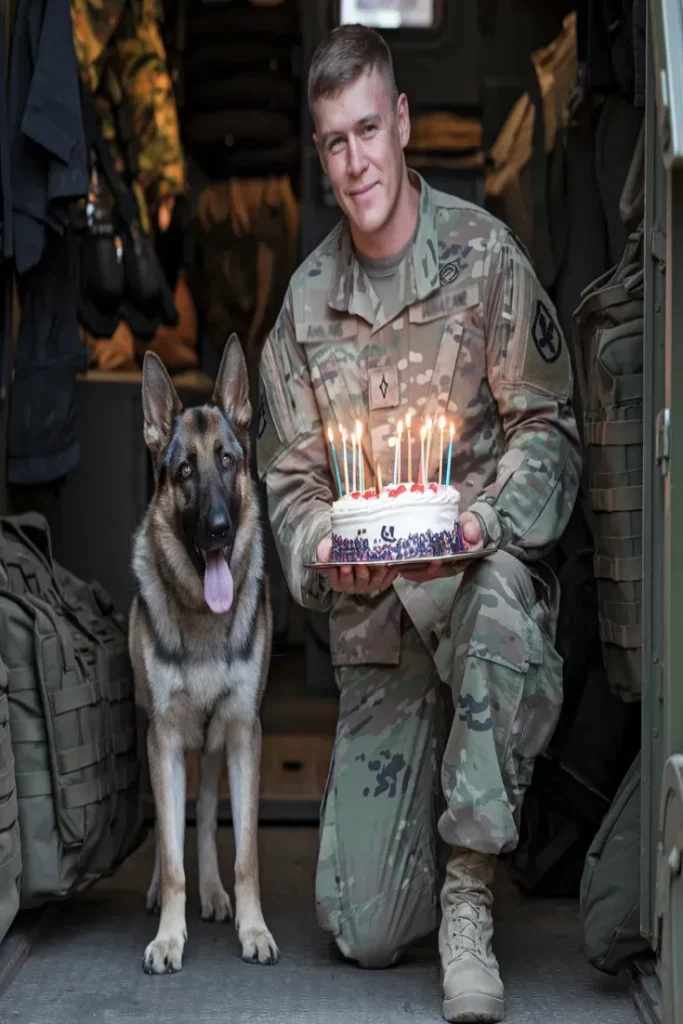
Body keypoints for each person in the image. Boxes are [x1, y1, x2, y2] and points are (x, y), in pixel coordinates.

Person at [257, 23, 581, 1024]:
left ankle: (470, 894)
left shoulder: (481, 258)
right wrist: (321, 554)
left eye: (367, 130)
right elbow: (290, 488)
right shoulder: (307, 309)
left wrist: (483, 521)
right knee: (357, 929)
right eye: (333, 142)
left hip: (477, 596)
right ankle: (442, 799)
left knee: (488, 614)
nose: (355, 162)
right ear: (320, 157)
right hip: (380, 640)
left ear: (400, 123)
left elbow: (551, 430)